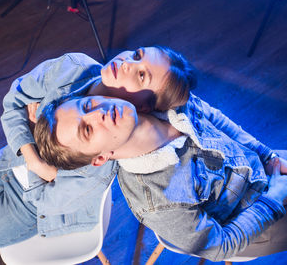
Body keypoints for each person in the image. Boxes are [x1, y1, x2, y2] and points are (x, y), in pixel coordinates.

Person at [0, 45, 195, 264]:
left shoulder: (111, 153)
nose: (127, 63)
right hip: (12, 160)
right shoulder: (73, 67)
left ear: (142, 108)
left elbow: (48, 200)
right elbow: (13, 102)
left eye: (142, 77)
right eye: (137, 54)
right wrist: (33, 154)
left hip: (32, 208)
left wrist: (34, 131)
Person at [34, 94, 287, 261]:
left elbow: (212, 116)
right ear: (100, 158)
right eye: (87, 129)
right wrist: (274, 200)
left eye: (87, 106)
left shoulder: (158, 96)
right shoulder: (157, 199)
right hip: (263, 219)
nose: (97, 113)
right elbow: (219, 245)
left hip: (267, 166)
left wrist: (268, 155)